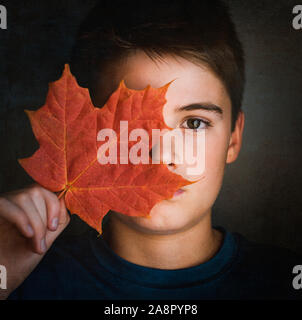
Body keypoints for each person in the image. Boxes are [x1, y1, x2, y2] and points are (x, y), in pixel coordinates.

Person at [1, 0, 301, 300]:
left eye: (194, 123)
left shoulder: (283, 281)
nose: (161, 156)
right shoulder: (20, 278)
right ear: (84, 135)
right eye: (127, 124)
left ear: (233, 138)